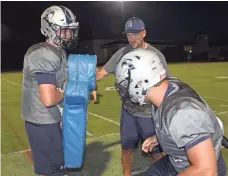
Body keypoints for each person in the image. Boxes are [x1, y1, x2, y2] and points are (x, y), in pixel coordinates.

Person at [115, 49, 227, 176]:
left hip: (195, 168)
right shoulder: (166, 89)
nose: (125, 91)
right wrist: (159, 137)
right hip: (180, 161)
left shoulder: (182, 113)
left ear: (141, 83)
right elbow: (181, 125)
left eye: (126, 85)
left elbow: (207, 171)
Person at [97, 17, 170, 176]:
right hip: (128, 111)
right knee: (127, 148)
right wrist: (83, 83)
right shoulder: (123, 52)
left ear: (144, 33)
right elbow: (103, 72)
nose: (131, 38)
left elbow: (165, 85)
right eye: (129, 34)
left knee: (155, 152)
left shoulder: (155, 55)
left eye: (135, 34)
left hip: (148, 113)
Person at [21, 5, 79, 176]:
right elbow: (48, 98)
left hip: (49, 118)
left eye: (71, 31)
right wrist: (68, 90)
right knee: (57, 170)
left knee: (53, 169)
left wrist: (60, 114)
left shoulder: (58, 51)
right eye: (65, 31)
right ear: (50, 29)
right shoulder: (43, 54)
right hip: (42, 122)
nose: (70, 35)